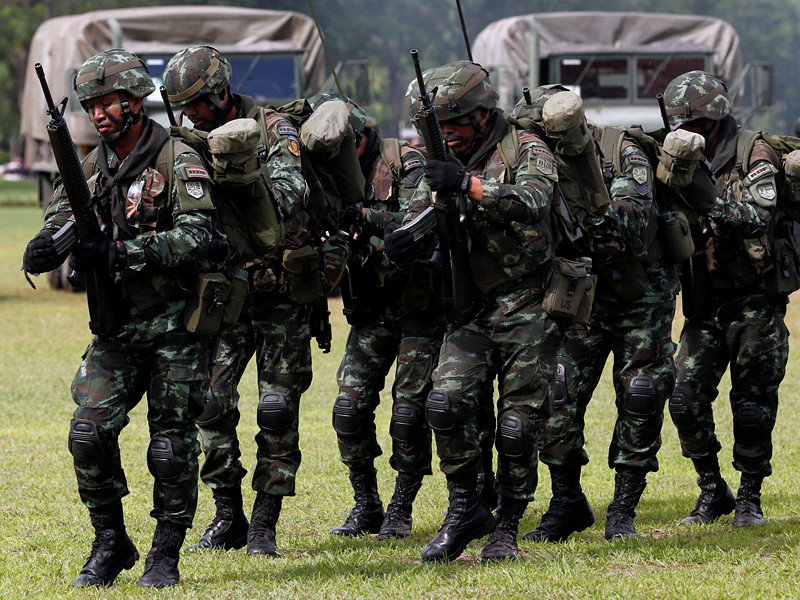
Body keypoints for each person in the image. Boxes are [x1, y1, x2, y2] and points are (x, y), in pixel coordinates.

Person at [22, 49, 215, 587]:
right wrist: (46, 246)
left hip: (175, 325)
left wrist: (122, 252)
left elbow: (201, 237)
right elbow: (63, 217)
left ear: (134, 99)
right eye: (90, 105)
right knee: (88, 432)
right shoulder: (88, 165)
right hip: (116, 328)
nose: (97, 114)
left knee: (171, 446)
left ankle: (165, 554)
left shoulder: (177, 158)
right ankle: (110, 541)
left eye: (106, 102)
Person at [392, 61, 562, 562]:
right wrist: (402, 238)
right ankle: (465, 506)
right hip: (469, 306)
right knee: (444, 402)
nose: (448, 134)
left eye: (455, 124)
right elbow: (416, 212)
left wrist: (469, 184)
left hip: (527, 300)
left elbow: (535, 198)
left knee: (517, 424)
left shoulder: (524, 147)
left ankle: (507, 521)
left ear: (482, 115)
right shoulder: (439, 158)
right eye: (439, 127)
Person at [162, 45, 309, 557]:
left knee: (276, 408)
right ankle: (228, 516)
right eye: (182, 108)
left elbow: (291, 194)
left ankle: (265, 524)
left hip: (280, 293)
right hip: (225, 293)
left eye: (196, 105)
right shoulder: (188, 142)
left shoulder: (274, 129)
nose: (190, 116)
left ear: (221, 93)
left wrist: (236, 170)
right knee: (210, 403)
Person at [521, 90, 679, 542]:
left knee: (641, 393)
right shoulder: (534, 161)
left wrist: (583, 205)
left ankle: (623, 508)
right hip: (579, 292)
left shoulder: (621, 151)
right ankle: (567, 502)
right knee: (557, 392)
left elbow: (631, 223)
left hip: (639, 292)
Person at [660, 70, 789, 527]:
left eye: (689, 124)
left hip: (754, 302)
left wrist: (706, 197)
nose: (682, 133)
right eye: (676, 125)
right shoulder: (677, 155)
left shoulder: (755, 152)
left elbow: (758, 216)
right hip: (703, 302)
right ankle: (713, 489)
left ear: (713, 119)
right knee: (683, 398)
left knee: (752, 405)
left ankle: (750, 497)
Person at [324, 95, 445, 540]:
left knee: (409, 413)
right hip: (371, 308)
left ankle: (401, 507)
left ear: (359, 138)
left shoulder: (405, 161)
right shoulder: (327, 173)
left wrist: (363, 217)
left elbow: (415, 222)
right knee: (348, 408)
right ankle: (367, 504)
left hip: (418, 305)